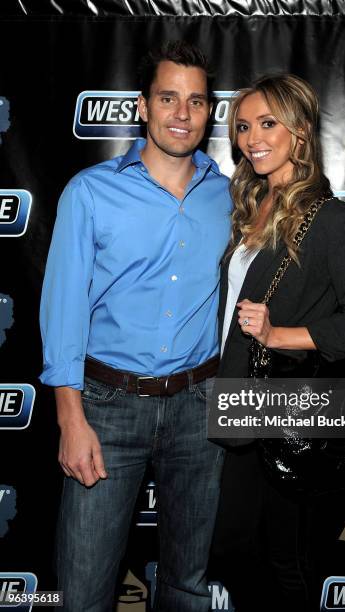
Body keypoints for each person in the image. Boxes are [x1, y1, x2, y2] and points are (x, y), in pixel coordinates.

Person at [39, 41, 232, 612]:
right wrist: (70, 417)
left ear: (208, 113)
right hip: (107, 407)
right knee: (82, 590)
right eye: (167, 98)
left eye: (196, 101)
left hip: (200, 408)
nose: (181, 113)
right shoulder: (90, 192)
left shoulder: (231, 196)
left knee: (187, 587)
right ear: (143, 107)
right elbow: (62, 310)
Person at [210, 74, 345, 610]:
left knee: (283, 561)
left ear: (301, 133)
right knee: (234, 555)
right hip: (237, 405)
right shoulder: (250, 208)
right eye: (243, 126)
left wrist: (277, 333)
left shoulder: (329, 220)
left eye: (268, 124)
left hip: (285, 411)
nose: (251, 138)